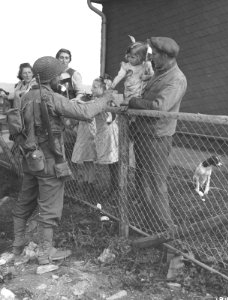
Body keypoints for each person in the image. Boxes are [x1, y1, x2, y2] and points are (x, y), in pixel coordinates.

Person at [10, 56, 119, 265]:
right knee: (49, 207)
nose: (60, 79)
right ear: (51, 77)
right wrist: (106, 98)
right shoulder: (51, 97)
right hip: (50, 160)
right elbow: (85, 111)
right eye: (58, 76)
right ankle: (45, 255)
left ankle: (17, 247)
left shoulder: (26, 96)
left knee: (24, 201)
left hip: (30, 160)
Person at [128, 37, 187, 232]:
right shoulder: (160, 71)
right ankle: (149, 224)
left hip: (157, 139)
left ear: (166, 56)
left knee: (156, 184)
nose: (152, 59)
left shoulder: (177, 79)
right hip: (144, 135)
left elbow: (158, 107)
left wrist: (133, 102)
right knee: (142, 180)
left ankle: (166, 230)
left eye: (155, 55)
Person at [71, 77, 119, 197]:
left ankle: (116, 189)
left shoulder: (105, 100)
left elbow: (111, 114)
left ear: (103, 88)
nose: (92, 89)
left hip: (109, 133)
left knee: (113, 163)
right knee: (110, 163)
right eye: (92, 86)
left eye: (95, 87)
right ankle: (112, 189)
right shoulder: (97, 99)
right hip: (102, 133)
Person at [111, 35, 154, 103]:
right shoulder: (126, 66)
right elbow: (120, 75)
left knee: (133, 106)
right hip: (128, 92)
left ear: (141, 57)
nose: (129, 59)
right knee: (127, 106)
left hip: (140, 94)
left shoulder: (145, 65)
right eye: (128, 56)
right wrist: (113, 85)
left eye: (132, 57)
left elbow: (153, 76)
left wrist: (147, 77)